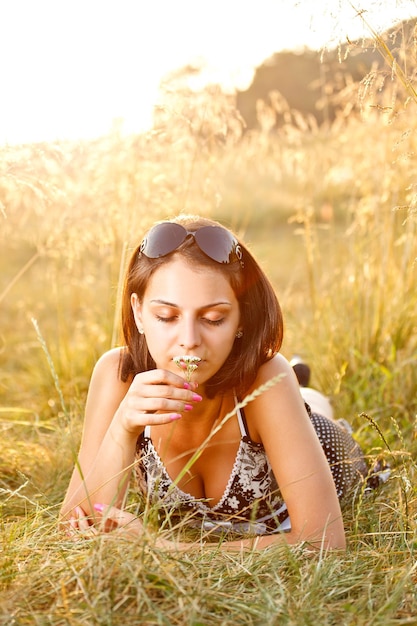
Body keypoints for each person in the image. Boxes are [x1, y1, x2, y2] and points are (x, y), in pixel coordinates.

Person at [60, 214, 370, 551]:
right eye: (167, 317)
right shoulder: (117, 374)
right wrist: (122, 428)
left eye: (213, 319)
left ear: (240, 318)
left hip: (322, 440)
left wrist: (167, 550)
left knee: (307, 401)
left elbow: (323, 542)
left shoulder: (266, 380)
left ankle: (303, 391)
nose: (189, 340)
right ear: (139, 313)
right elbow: (74, 530)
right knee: (294, 390)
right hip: (269, 397)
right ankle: (302, 384)